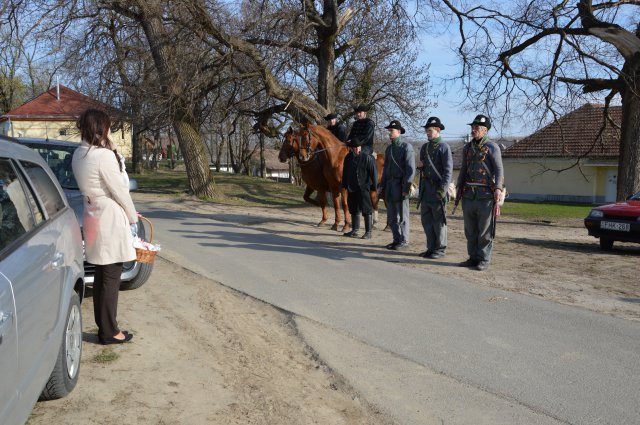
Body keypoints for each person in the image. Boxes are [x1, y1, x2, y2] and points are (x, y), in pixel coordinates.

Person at [72, 109, 137, 345]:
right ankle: (110, 331)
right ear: (101, 128)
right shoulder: (103, 156)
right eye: (108, 127)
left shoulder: (79, 154)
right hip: (109, 217)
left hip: (93, 216)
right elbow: (120, 188)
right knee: (110, 277)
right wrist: (132, 216)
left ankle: (105, 328)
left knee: (101, 275)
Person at [456, 114, 505, 271]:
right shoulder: (467, 148)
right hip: (469, 194)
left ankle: (483, 258)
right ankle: (473, 257)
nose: (473, 130)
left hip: (485, 195)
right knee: (470, 230)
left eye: (477, 128)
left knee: (484, 230)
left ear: (485, 130)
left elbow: (499, 169)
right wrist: (458, 187)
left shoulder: (492, 147)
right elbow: (463, 169)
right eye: (473, 127)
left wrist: (498, 188)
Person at [417, 117, 452, 259]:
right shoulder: (425, 147)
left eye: (430, 130)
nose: (428, 133)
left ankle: (440, 249)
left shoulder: (444, 147)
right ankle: (431, 248)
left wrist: (442, 190)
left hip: (437, 190)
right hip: (426, 190)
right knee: (427, 222)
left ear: (438, 130)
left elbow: (448, 171)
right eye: (427, 131)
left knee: (439, 222)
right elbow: (424, 166)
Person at [380, 120, 415, 250]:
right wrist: (382, 186)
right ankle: (396, 239)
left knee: (403, 215)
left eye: (392, 131)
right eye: (389, 131)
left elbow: (410, 170)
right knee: (392, 215)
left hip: (400, 185)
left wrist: (406, 187)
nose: (389, 133)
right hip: (390, 185)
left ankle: (404, 240)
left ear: (399, 132)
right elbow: (386, 170)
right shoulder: (389, 149)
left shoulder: (406, 147)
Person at [341, 136, 378, 239]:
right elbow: (345, 172)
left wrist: (374, 187)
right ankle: (355, 230)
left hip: (363, 187)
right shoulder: (348, 158)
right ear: (351, 148)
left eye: (358, 147)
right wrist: (344, 184)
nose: (357, 149)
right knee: (353, 209)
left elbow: (373, 173)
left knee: (366, 209)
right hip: (351, 187)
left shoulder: (367, 157)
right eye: (355, 147)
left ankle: (368, 232)